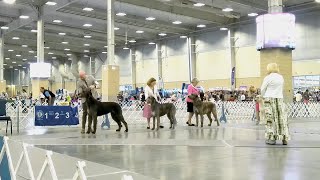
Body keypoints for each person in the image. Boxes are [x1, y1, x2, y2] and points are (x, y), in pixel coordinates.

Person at [261, 63, 289, 145]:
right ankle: (284, 138)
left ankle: (271, 138)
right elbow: (282, 88)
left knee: (270, 119)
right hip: (279, 99)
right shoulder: (281, 77)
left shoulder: (268, 78)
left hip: (269, 99)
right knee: (281, 119)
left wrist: (262, 96)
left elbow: (262, 89)